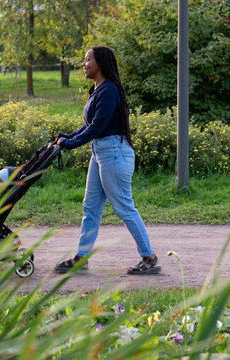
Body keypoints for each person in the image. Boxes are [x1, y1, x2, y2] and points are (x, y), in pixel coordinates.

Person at [54, 45, 161, 275]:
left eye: (87, 60)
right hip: (101, 152)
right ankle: (81, 257)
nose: (84, 64)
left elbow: (97, 127)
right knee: (90, 207)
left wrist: (71, 144)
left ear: (100, 63)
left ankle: (149, 257)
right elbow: (90, 125)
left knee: (124, 207)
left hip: (113, 152)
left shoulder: (109, 90)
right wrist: (67, 137)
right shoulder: (99, 90)